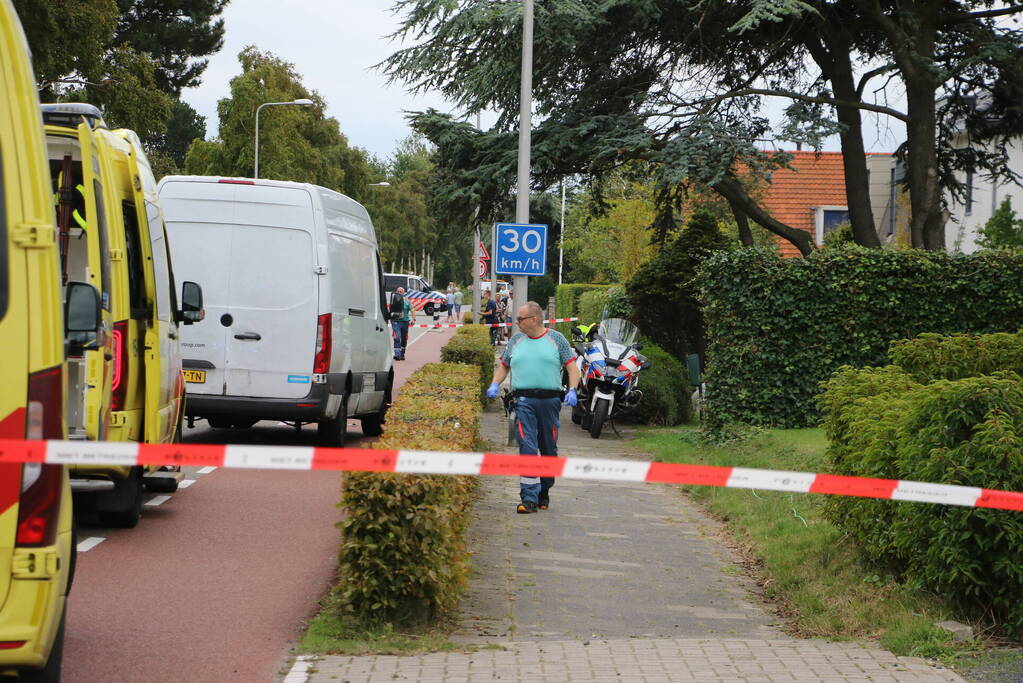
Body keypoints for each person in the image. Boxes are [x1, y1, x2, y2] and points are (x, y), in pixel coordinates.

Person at [486, 302, 580, 514]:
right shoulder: (516, 341)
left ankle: (543, 490)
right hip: (523, 401)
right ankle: (528, 498)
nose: (516, 323)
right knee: (527, 447)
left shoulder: (557, 340)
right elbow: (504, 365)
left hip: (550, 402)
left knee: (548, 449)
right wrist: (494, 383)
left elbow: (572, 368)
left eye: (520, 319)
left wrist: (573, 389)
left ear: (535, 319)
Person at [389, 286, 411, 360]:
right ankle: (397, 355)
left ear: (404, 293)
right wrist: (390, 319)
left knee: (404, 339)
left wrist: (414, 319)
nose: (398, 293)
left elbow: (413, 309)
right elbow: (390, 310)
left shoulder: (407, 301)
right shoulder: (393, 300)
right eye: (397, 291)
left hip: (405, 322)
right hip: (396, 322)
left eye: (400, 292)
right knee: (397, 338)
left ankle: (402, 354)